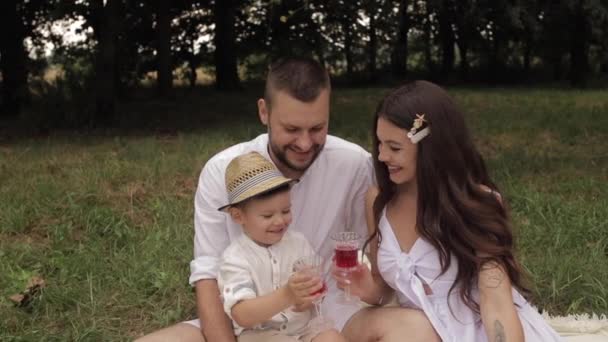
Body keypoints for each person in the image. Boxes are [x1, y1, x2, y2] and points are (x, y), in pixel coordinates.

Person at [136, 58, 435, 342]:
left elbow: (384, 260)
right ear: (264, 112)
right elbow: (208, 278)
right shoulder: (224, 170)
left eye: (317, 128)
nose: (305, 144)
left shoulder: (354, 165)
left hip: (327, 313)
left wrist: (372, 289)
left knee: (416, 330)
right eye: (291, 129)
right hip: (248, 319)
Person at [339, 80, 563, 341]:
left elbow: (496, 301)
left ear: (429, 148)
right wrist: (368, 289)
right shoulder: (378, 202)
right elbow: (384, 289)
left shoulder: (478, 204)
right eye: (379, 143)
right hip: (419, 331)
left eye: (395, 147)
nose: (381, 156)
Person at [215, 151, 345, 342]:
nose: (280, 221)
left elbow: (315, 288)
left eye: (286, 211)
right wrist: (286, 295)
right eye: (267, 216)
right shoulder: (235, 259)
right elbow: (242, 315)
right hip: (260, 334)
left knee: (332, 337)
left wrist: (307, 299)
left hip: (303, 329)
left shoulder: (298, 243)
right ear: (238, 216)